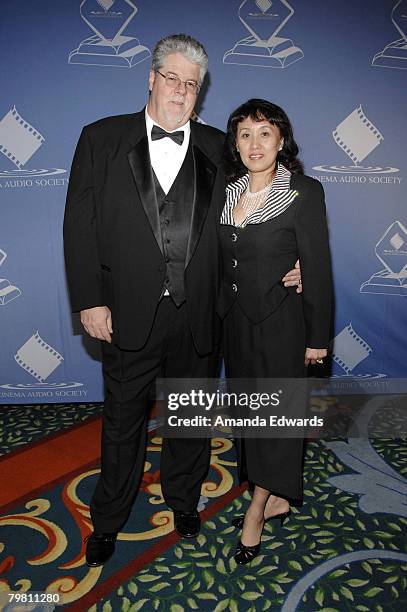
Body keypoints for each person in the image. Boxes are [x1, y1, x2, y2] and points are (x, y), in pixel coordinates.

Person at [64, 35, 302, 568]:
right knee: (122, 424)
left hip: (199, 314)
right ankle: (108, 520)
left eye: (191, 84)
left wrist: (300, 250)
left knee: (189, 419)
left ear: (200, 92)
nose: (180, 90)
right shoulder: (100, 139)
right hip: (124, 312)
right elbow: (79, 226)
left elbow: (276, 184)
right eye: (171, 78)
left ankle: (182, 500)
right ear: (151, 78)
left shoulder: (220, 145)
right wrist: (88, 300)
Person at [218, 99, 332, 565]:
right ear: (236, 144)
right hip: (237, 324)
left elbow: (318, 268)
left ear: (282, 140)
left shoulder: (304, 191)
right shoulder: (226, 191)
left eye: (265, 133)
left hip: (284, 324)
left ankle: (257, 510)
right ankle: (278, 494)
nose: (255, 143)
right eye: (245, 134)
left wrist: (317, 337)